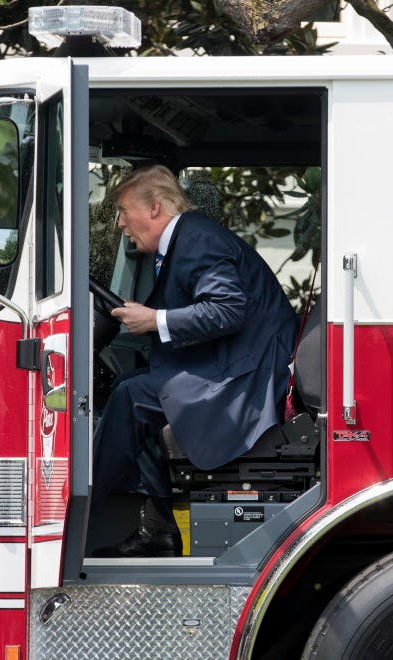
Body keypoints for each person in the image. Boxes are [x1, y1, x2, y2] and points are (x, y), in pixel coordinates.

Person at [91, 164, 297, 557]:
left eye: (123, 210)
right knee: (131, 388)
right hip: (239, 361)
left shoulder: (197, 239)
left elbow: (228, 309)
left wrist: (155, 320)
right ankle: (157, 527)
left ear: (154, 208)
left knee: (131, 397)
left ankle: (78, 509)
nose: (119, 223)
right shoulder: (187, 237)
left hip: (246, 377)